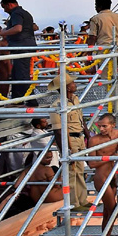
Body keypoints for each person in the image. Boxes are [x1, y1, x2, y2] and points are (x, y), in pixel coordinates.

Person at [86, 112, 118, 236]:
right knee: (113, 211)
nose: (101, 129)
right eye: (99, 126)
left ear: (112, 125)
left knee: (108, 213)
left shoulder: (116, 134)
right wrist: (116, 157)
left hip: (112, 176)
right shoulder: (94, 140)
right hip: (101, 177)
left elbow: (116, 147)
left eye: (104, 126)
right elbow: (91, 164)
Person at [48, 76, 92, 210]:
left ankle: (83, 200)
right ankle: (74, 203)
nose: (75, 84)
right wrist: (66, 149)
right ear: (66, 87)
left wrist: (88, 135)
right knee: (72, 172)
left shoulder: (75, 99)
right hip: (70, 139)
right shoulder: (57, 106)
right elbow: (58, 131)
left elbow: (81, 119)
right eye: (72, 83)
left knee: (81, 169)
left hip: (79, 137)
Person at [0, 0, 37, 102]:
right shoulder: (25, 13)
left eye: (4, 7)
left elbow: (18, 28)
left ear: (10, 4)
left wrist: (0, 33)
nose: (5, 10)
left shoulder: (16, 14)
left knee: (22, 75)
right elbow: (31, 28)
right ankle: (17, 100)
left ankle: (31, 101)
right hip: (24, 45)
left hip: (21, 47)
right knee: (17, 74)